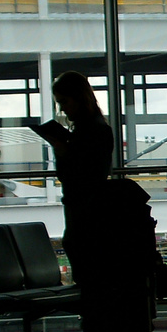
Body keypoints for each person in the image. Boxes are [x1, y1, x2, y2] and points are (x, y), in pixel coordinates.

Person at [43, 70, 113, 280]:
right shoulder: (98, 129)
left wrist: (64, 154)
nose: (62, 108)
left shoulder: (87, 133)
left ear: (78, 98)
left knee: (84, 266)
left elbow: (75, 175)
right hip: (89, 209)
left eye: (64, 101)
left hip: (82, 209)